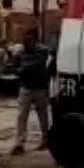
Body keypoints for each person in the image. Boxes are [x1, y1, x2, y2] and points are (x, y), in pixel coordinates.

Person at [11, 27, 53, 155]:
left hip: (40, 88)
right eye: (27, 39)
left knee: (43, 116)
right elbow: (14, 65)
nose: (29, 42)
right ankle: (20, 142)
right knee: (22, 116)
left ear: (35, 40)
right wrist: (20, 73)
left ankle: (46, 140)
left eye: (31, 39)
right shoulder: (21, 53)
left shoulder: (43, 52)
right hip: (26, 87)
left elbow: (52, 62)